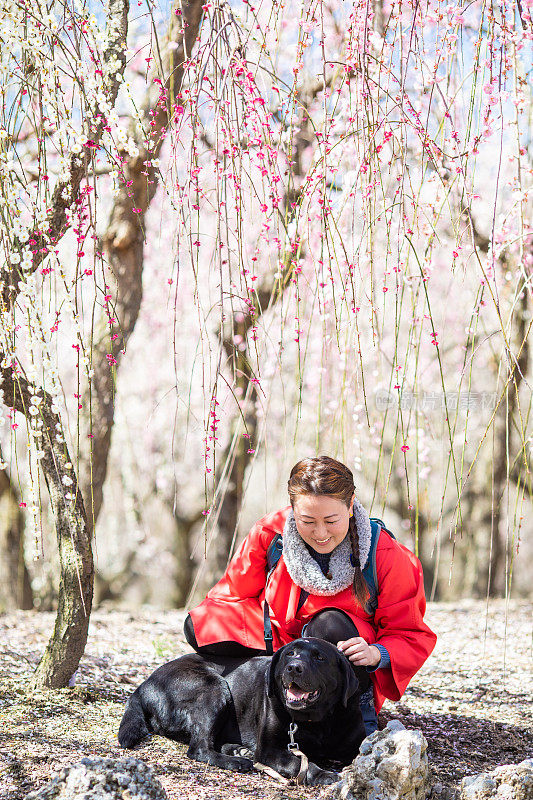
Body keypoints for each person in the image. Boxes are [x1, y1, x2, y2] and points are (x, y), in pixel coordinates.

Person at [184, 455, 436, 733]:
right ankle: (258, 697)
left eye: (331, 520)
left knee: (329, 624)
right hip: (279, 643)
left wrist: (377, 653)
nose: (320, 533)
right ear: (292, 510)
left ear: (350, 506)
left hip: (335, 656)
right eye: (307, 520)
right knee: (202, 625)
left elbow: (409, 633)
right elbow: (230, 595)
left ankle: (348, 713)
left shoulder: (385, 554)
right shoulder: (271, 533)